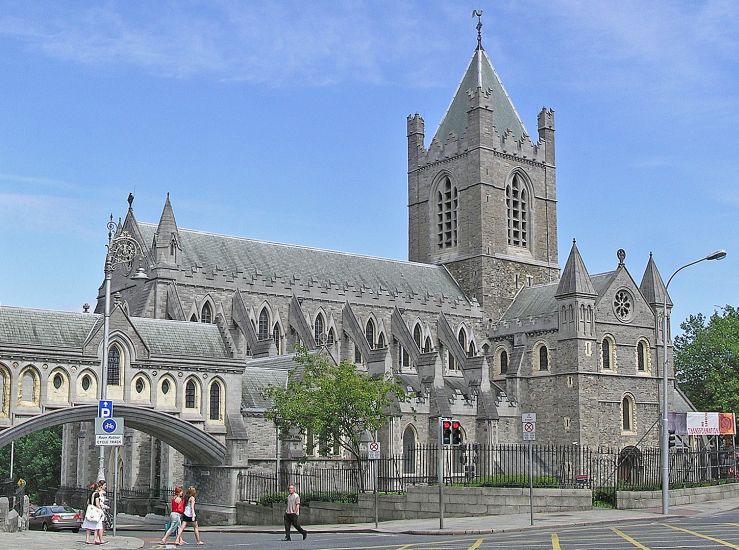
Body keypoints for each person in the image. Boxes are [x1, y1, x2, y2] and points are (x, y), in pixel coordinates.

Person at [81, 480, 105, 545]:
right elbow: (97, 504)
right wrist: (101, 510)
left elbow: (88, 502)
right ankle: (95, 539)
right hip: (95, 512)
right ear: (98, 488)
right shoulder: (97, 494)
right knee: (96, 527)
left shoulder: (91, 493)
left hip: (90, 511)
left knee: (88, 527)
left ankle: (87, 539)